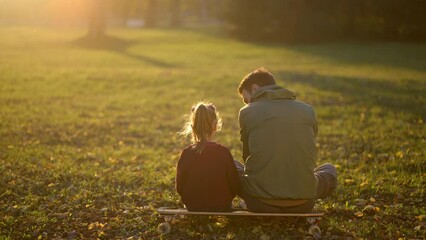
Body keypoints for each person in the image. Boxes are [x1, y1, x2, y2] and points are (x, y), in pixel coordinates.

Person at [236, 68, 338, 213]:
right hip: (304, 203)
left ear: (255, 88)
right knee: (329, 169)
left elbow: (247, 157)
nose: (247, 105)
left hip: (258, 202)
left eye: (247, 100)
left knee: (230, 166)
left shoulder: (247, 112)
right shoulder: (307, 110)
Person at [176, 102, 241, 212]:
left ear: (192, 126)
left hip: (193, 206)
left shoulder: (186, 153)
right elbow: (234, 185)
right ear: (215, 125)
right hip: (221, 205)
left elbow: (179, 187)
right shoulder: (223, 152)